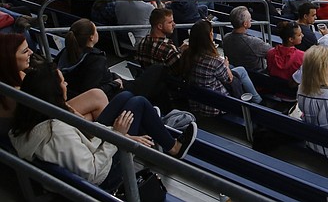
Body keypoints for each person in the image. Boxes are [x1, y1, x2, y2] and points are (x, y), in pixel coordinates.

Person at [9, 62, 197, 190]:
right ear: (52, 92)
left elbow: (84, 138)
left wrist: (121, 134)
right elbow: (94, 174)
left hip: (91, 150)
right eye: (62, 82)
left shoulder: (26, 122)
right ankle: (174, 148)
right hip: (105, 176)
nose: (66, 84)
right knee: (138, 103)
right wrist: (118, 136)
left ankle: (150, 128)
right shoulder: (56, 132)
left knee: (124, 97)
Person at [0, 34, 107, 134]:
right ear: (9, 58)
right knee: (97, 100)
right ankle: (111, 139)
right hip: (40, 126)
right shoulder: (14, 93)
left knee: (95, 100)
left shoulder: (18, 75)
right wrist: (84, 121)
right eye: (25, 51)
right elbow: (54, 108)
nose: (31, 52)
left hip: (44, 117)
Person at [181, 20, 262, 116]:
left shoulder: (186, 54)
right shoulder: (215, 61)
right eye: (211, 33)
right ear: (208, 37)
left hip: (196, 102)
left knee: (240, 70)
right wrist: (226, 65)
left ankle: (257, 99)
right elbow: (229, 79)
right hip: (216, 106)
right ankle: (257, 101)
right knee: (238, 73)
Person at [222, 6, 271, 72]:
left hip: (235, 73)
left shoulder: (226, 38)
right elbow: (271, 51)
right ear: (245, 24)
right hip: (257, 77)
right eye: (250, 19)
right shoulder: (254, 42)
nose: (251, 20)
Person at [136, 8, 185, 74]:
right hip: (165, 82)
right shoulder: (169, 49)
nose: (174, 24)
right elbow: (181, 71)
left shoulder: (142, 42)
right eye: (170, 22)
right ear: (160, 26)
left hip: (148, 80)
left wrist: (178, 50)